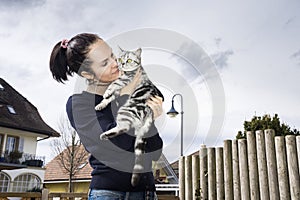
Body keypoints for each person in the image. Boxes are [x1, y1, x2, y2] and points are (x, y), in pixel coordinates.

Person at [49, 33, 163, 200]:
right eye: (105, 63)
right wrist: (126, 97)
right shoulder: (79, 105)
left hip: (147, 193)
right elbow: (121, 142)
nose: (115, 63)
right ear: (87, 74)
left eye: (112, 55)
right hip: (111, 194)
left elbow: (154, 151)